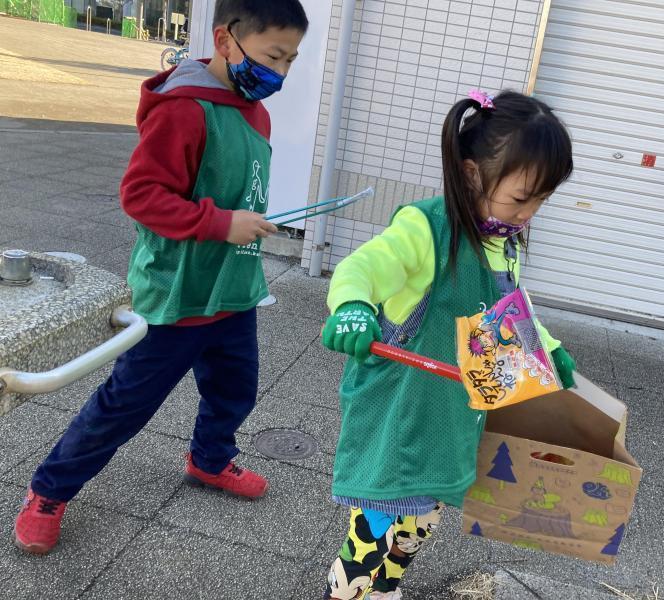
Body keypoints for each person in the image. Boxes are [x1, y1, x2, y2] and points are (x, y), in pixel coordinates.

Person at [13, 0, 308, 554]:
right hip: (177, 295)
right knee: (125, 403)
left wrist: (239, 222)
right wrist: (221, 223)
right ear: (225, 40)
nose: (282, 71)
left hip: (234, 291)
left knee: (234, 392)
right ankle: (49, 491)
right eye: (273, 56)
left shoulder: (254, 109)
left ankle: (210, 459)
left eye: (291, 59)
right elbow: (141, 197)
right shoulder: (184, 108)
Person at [320, 90, 577, 600]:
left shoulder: (502, 240)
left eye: (541, 199)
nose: (530, 213)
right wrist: (352, 305)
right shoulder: (425, 229)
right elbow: (361, 269)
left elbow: (510, 308)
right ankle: (346, 590)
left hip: (453, 412)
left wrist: (548, 347)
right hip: (400, 410)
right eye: (522, 197)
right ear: (470, 173)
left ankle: (389, 589)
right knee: (373, 528)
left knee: (422, 522)